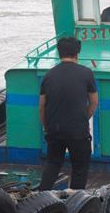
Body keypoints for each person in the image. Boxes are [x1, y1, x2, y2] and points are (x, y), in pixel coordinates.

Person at [38, 37, 99, 191]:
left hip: (54, 130)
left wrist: (47, 127)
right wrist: (84, 118)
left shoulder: (48, 75)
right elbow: (93, 102)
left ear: (59, 53)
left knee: (53, 163)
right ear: (76, 54)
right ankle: (75, 200)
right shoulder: (86, 73)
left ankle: (41, 195)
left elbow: (42, 106)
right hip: (78, 130)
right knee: (80, 166)